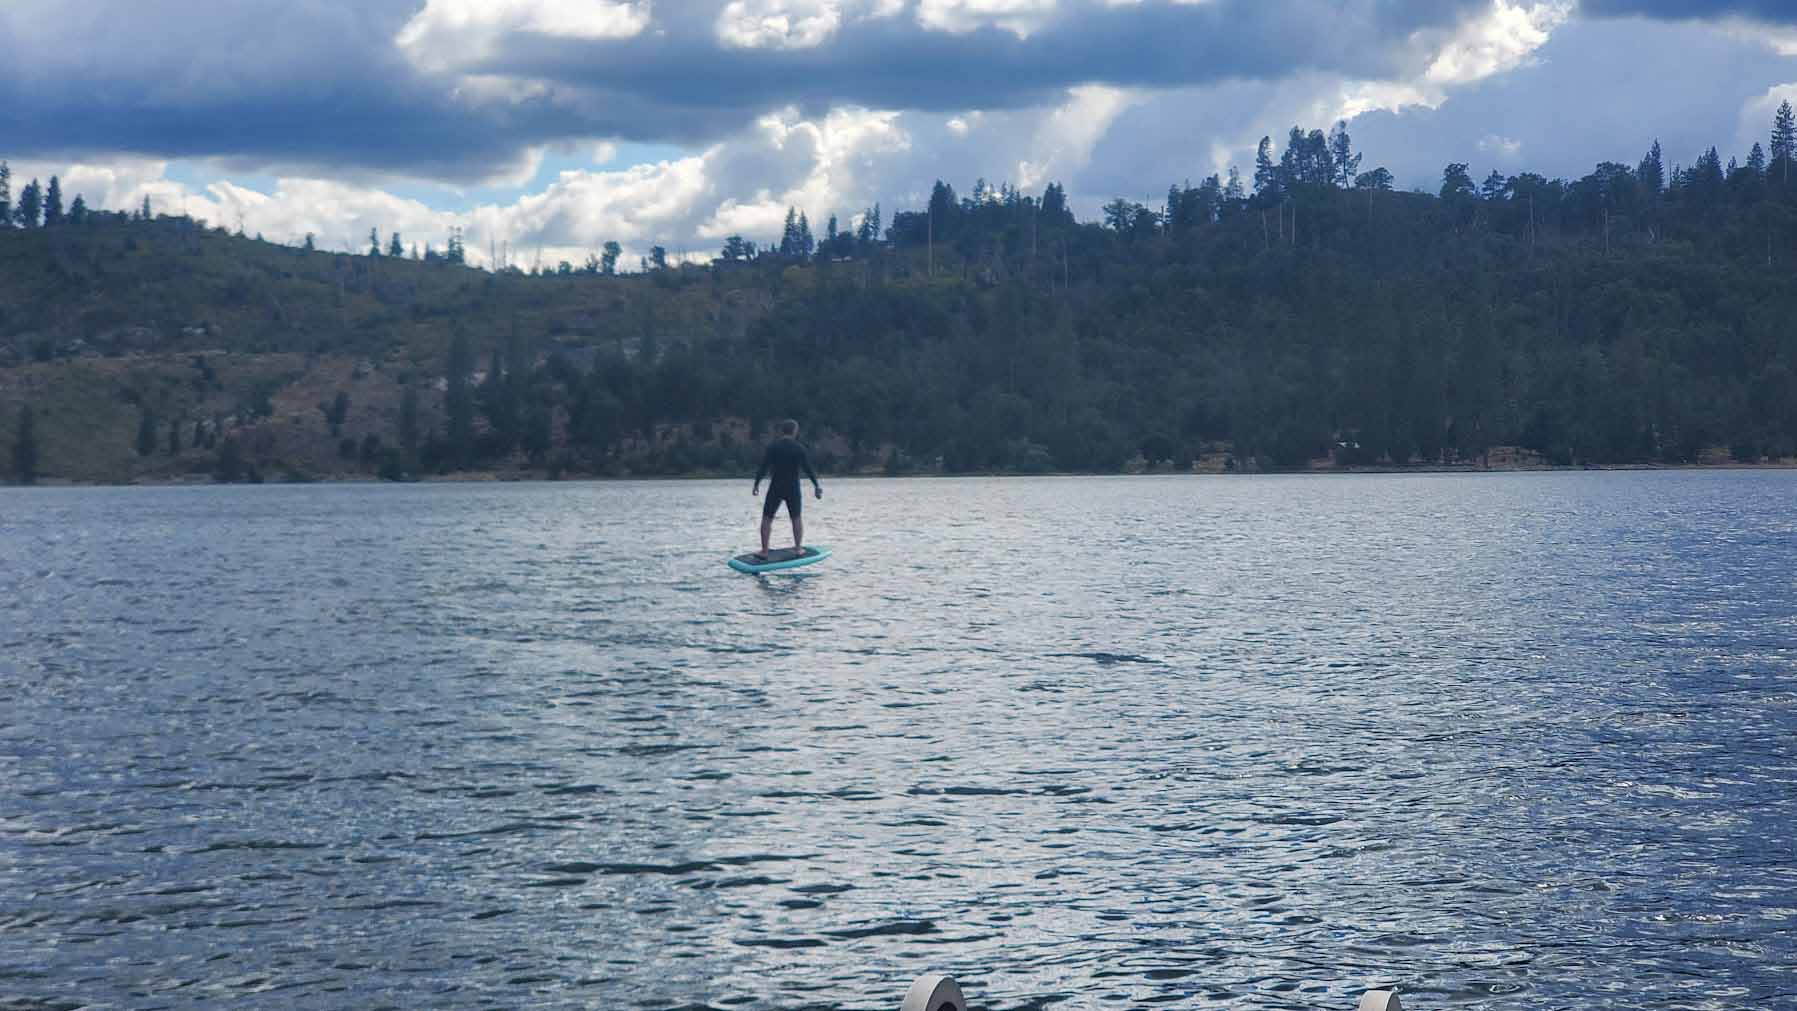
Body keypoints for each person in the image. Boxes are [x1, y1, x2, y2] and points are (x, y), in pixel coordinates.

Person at [752, 419, 822, 559]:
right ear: (794, 431)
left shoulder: (773, 447)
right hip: (792, 488)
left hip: (776, 487)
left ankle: (764, 551)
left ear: (782, 431)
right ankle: (797, 549)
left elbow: (763, 467)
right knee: (796, 518)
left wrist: (756, 484)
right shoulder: (799, 448)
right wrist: (816, 486)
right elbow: (808, 469)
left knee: (767, 518)